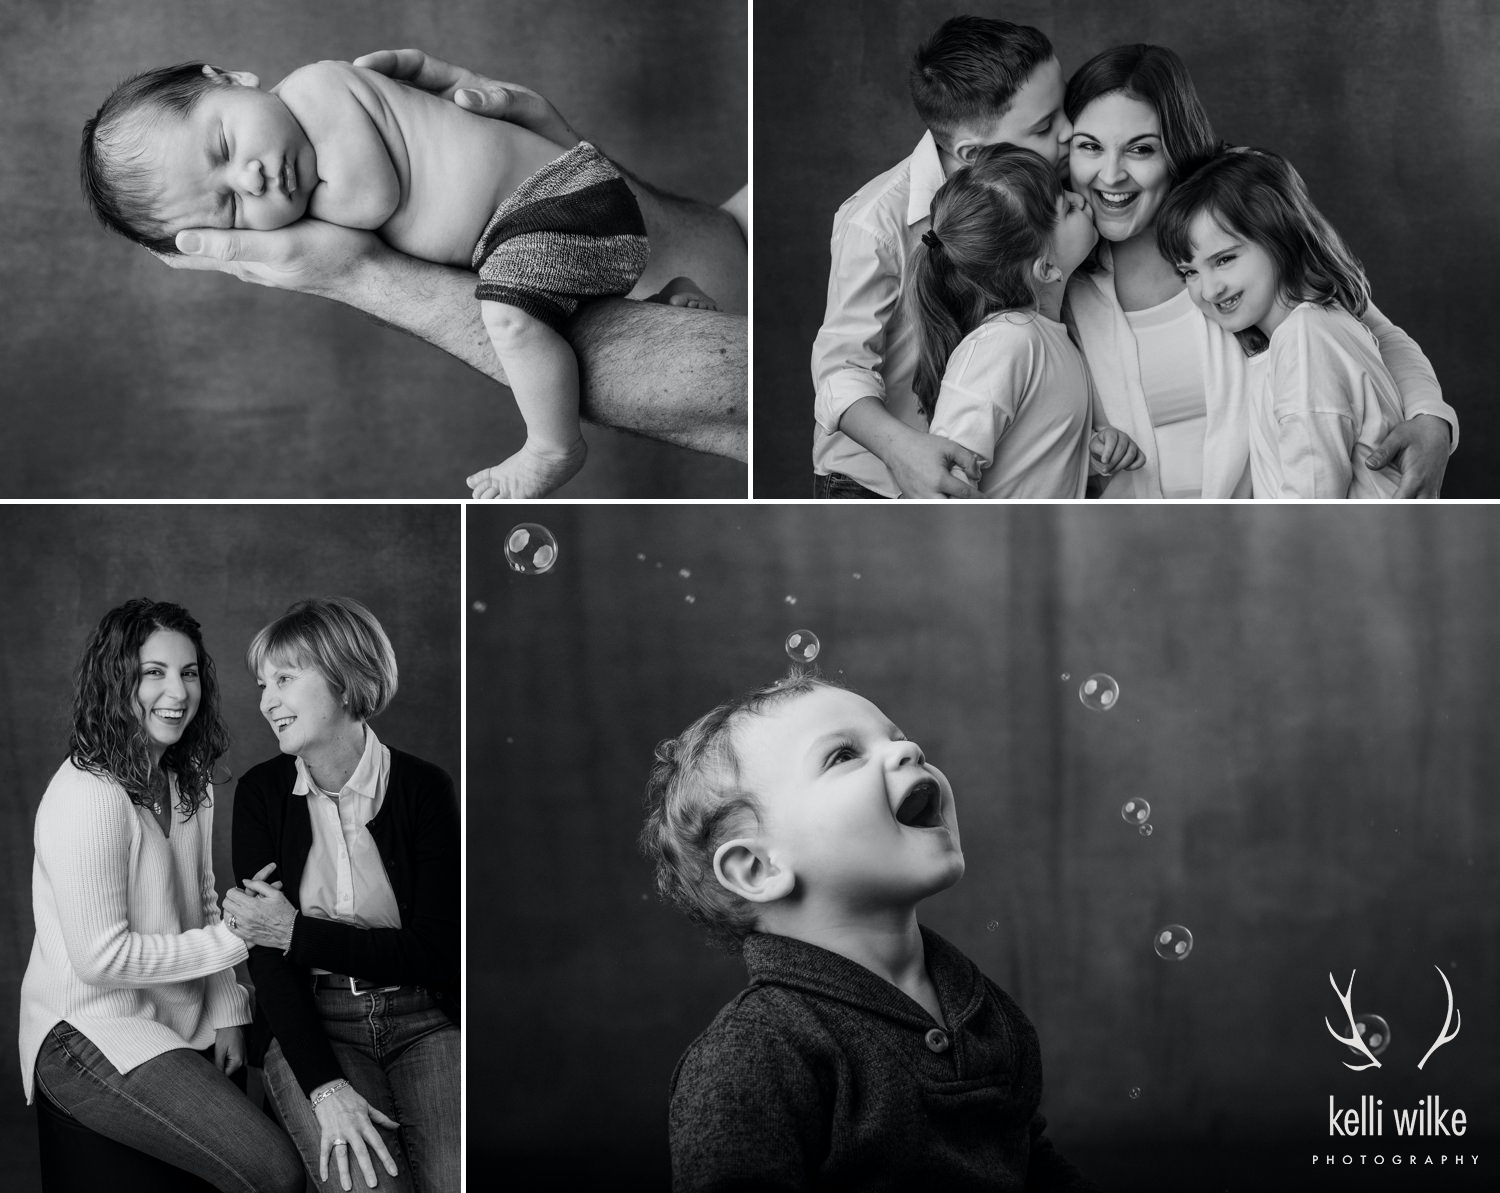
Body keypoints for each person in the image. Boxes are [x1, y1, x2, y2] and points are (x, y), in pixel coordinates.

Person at [82, 58, 721, 500]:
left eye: (222, 147)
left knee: (509, 318)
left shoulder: (317, 90)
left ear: (230, 79)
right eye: (228, 208)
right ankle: (665, 298)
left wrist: (299, 247)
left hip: (551, 198)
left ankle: (552, 445)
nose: (249, 179)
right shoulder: (299, 151)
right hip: (536, 229)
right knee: (561, 314)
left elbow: (370, 199)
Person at [641, 675, 1098, 1190]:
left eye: (897, 736)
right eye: (842, 756)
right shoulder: (756, 1055)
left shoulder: (983, 1011)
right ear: (758, 868)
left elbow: (1026, 1159)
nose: (909, 749)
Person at [1062, 43, 1457, 498]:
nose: (1110, 176)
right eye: (1088, 147)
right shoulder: (1056, 264)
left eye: (1141, 149)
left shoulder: (1235, 221)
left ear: (1176, 150)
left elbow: (1366, 331)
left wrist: (1433, 421)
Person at [18, 599, 304, 1193]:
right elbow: (101, 959)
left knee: (298, 1047)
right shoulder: (87, 794)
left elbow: (200, 900)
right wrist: (239, 934)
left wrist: (228, 1011)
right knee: (274, 1172)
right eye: (154, 672)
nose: (178, 690)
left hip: (175, 1014)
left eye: (190, 672)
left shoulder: (186, 782)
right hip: (87, 1030)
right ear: (116, 680)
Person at [223, 597, 459, 1193]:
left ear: (346, 678)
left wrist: (297, 933)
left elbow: (434, 952)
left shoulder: (424, 789)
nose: (266, 701)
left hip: (427, 1019)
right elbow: (269, 964)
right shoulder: (260, 795)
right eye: (262, 684)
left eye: (284, 679)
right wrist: (326, 1087)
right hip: (311, 1022)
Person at [811, 16, 1069, 498]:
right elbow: (838, 371)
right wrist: (901, 450)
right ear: (973, 153)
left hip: (990, 472)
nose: (1070, 133)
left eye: (1065, 109)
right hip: (875, 483)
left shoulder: (1052, 194)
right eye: (1045, 126)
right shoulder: (876, 222)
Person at [1156, 146, 1405, 498]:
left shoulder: (1306, 337)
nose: (1208, 290)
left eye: (1224, 259)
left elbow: (1313, 493)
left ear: (1279, 235)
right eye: (1189, 272)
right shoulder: (1305, 331)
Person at [909, 143, 1144, 497]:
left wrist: (1095, 451)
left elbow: (1035, 455)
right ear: (1046, 268)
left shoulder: (1049, 336)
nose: (1079, 200)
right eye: (1067, 208)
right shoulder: (1005, 343)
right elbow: (948, 478)